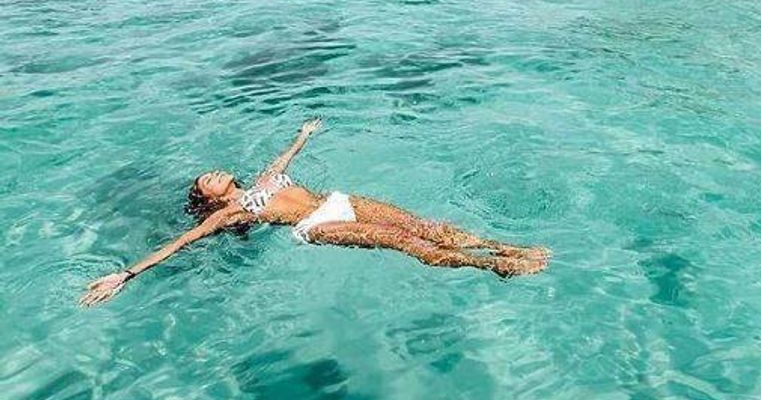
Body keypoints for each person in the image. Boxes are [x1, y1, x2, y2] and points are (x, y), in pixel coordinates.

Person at [80, 119, 549, 306]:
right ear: (211, 198)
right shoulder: (230, 215)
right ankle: (495, 267)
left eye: (213, 171)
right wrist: (125, 274)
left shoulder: (263, 179)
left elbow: (285, 160)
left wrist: (303, 135)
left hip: (337, 200)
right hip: (316, 225)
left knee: (426, 226)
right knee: (407, 243)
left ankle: (504, 246)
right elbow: (178, 244)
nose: (216, 172)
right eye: (208, 179)